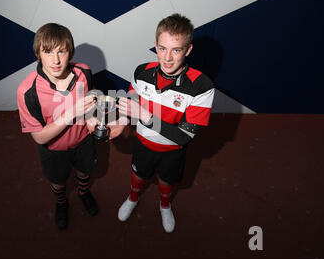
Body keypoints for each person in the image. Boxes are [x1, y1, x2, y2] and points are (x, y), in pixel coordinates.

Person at [115, 14, 215, 233]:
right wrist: (122, 122)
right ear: (155, 46)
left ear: (188, 50)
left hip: (173, 151)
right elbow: (132, 96)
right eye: (162, 48)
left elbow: (184, 136)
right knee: (138, 175)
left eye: (176, 50)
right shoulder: (142, 71)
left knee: (167, 181)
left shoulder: (202, 86)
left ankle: (165, 205)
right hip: (142, 144)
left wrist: (144, 115)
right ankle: (133, 198)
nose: (167, 58)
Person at [17, 23, 103, 230]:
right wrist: (71, 113)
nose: (55, 60)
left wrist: (91, 117)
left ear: (69, 52)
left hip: (83, 141)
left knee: (84, 173)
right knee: (58, 183)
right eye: (48, 52)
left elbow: (90, 99)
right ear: (38, 53)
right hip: (53, 150)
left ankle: (83, 192)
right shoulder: (27, 91)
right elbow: (39, 137)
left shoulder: (84, 71)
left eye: (61, 51)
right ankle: (61, 202)